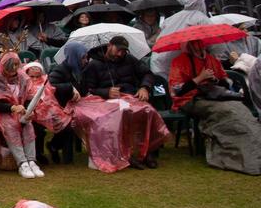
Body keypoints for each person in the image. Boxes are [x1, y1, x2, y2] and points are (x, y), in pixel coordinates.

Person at [169, 41, 261, 175]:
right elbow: (176, 92)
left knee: (240, 110)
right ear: (188, 46)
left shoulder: (211, 60)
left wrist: (215, 80)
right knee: (227, 113)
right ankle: (245, 159)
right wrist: (199, 79)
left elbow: (226, 82)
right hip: (189, 100)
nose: (199, 47)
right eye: (195, 45)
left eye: (200, 44)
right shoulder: (179, 62)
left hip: (215, 97)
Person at [80, 35, 167, 169]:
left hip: (131, 96)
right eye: (118, 50)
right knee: (122, 114)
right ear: (110, 45)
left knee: (148, 111)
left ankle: (149, 152)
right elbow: (88, 88)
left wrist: (145, 87)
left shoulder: (130, 59)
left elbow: (147, 74)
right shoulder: (94, 64)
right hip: (105, 101)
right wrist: (106, 92)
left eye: (123, 51)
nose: (121, 53)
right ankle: (127, 154)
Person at [0, 51, 43, 179]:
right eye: (10, 70)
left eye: (15, 68)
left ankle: (32, 160)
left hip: (19, 110)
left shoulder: (22, 76)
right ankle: (22, 163)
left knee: (27, 124)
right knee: (11, 126)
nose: (13, 72)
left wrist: (27, 110)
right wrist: (12, 108)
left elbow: (28, 96)